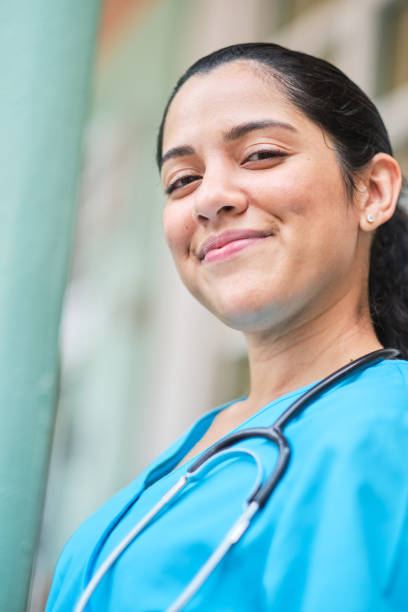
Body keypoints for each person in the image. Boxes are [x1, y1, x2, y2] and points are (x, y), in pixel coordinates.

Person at [46, 43, 408, 612]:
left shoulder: (385, 430)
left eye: (261, 154)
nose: (210, 199)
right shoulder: (209, 441)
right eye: (182, 180)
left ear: (374, 191)